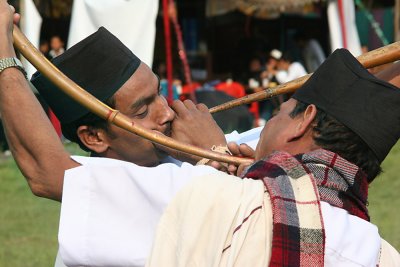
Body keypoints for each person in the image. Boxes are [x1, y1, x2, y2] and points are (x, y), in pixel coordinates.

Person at [0, 3, 261, 266]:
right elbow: (45, 172)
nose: (167, 113)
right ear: (94, 137)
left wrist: (216, 154)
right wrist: (214, 155)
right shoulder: (122, 191)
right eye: (141, 110)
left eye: (158, 93)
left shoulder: (181, 159)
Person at [146, 49, 400, 266]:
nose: (266, 127)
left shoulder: (231, 201)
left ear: (304, 121)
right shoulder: (386, 256)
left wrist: (213, 158)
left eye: (278, 114)